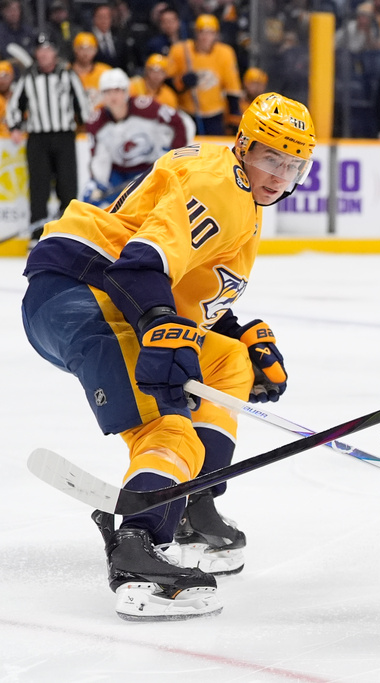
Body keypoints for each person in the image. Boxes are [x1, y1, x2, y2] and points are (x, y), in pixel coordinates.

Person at [21, 92, 315, 621]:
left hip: (94, 293)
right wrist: (161, 325)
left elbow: (177, 283)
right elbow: (140, 265)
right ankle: (138, 547)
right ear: (244, 145)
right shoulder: (223, 187)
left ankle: (189, 507)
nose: (280, 176)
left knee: (227, 360)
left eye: (293, 166)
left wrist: (236, 331)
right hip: (85, 293)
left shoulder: (237, 190)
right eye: (271, 158)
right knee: (168, 425)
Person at [4, 34, 90, 246]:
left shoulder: (67, 74)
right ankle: (37, 234)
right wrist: (15, 127)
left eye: (48, 49)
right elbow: (14, 106)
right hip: (38, 139)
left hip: (64, 136)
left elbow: (82, 103)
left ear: (54, 52)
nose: (43, 54)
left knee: (67, 186)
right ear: (36, 53)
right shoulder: (28, 77)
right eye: (40, 50)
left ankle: (68, 232)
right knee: (38, 188)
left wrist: (85, 124)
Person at [84, 67, 189, 204]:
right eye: (108, 92)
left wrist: (173, 155)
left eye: (117, 90)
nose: (113, 96)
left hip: (150, 168)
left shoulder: (146, 108)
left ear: (126, 92)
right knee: (91, 199)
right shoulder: (96, 122)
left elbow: (179, 123)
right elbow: (98, 158)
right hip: (119, 174)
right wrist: (98, 183)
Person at [166, 14, 242, 136]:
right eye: (201, 32)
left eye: (210, 32)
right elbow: (167, 83)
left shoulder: (225, 53)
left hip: (214, 113)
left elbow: (232, 87)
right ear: (195, 33)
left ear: (216, 35)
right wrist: (182, 82)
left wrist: (233, 116)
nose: (205, 37)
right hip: (186, 112)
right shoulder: (180, 50)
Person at [71, 31, 112, 113]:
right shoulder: (66, 73)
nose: (85, 53)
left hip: (102, 117)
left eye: (89, 49)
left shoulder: (105, 71)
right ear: (75, 50)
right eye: (81, 48)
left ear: (95, 51)